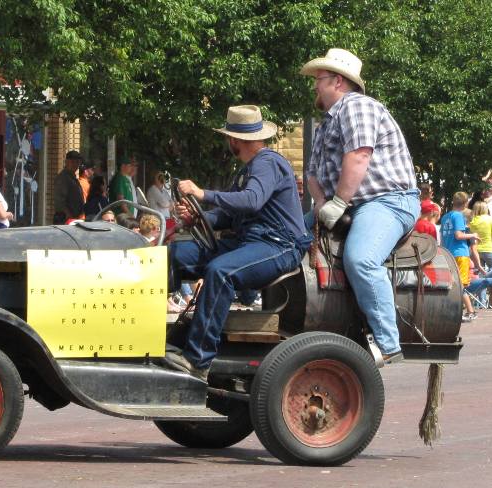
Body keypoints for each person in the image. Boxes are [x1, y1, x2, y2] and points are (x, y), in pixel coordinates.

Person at [164, 105, 311, 380]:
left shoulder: (268, 163)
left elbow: (252, 200)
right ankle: (156, 334)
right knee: (175, 254)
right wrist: (197, 217)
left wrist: (202, 192)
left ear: (233, 139)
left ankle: (197, 360)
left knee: (221, 271)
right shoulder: (247, 171)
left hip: (279, 245)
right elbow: (228, 215)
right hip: (249, 242)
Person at [301, 48, 419, 363]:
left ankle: (388, 343)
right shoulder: (326, 123)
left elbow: (359, 155)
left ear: (338, 81)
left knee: (361, 260)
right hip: (347, 204)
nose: (314, 85)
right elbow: (312, 174)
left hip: (386, 201)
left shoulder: (357, 106)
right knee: (287, 236)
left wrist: (338, 202)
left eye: (319, 79)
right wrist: (324, 203)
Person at [441, 192, 482, 322]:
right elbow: (458, 235)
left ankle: (455, 311)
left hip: (449, 253)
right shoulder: (458, 216)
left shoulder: (445, 217)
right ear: (465, 204)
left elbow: (442, 239)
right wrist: (473, 235)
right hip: (460, 253)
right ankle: (471, 311)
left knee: (453, 285)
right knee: (460, 286)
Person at [53, 150, 85, 222]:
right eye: (73, 162)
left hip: (74, 219)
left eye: (77, 162)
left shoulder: (72, 177)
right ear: (66, 162)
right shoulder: (63, 178)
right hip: (64, 219)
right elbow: (60, 202)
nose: (75, 165)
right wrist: (69, 218)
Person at [470, 200, 492, 272]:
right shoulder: (489, 219)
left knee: (480, 274)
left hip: (476, 252)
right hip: (488, 250)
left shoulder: (472, 221)